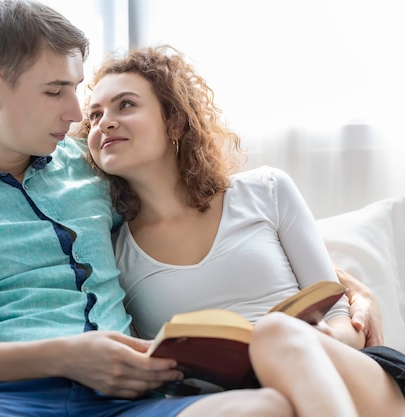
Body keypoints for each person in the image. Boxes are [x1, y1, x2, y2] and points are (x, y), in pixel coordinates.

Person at [0, 1, 381, 416]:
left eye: (77, 93)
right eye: (56, 92)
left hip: (124, 403)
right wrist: (67, 356)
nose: (77, 117)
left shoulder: (89, 169)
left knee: (266, 407)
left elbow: (197, 218)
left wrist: (347, 285)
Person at [79, 44, 405, 417]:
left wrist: (311, 342)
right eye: (94, 115)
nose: (104, 122)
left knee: (274, 333)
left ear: (175, 121)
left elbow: (340, 317)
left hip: (348, 375)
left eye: (125, 105)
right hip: (245, 404)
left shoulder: (266, 190)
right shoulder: (114, 254)